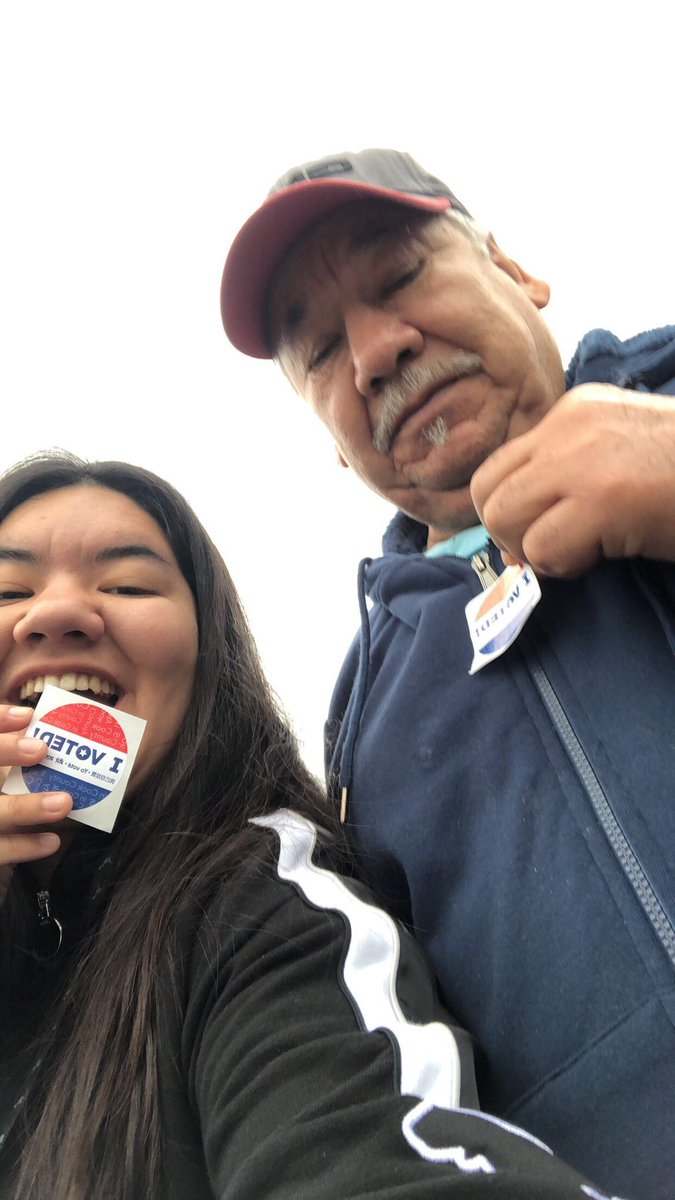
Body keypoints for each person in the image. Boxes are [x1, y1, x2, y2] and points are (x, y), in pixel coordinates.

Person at [219, 149, 675, 1200]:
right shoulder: (357, 732)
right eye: (321, 350)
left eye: (399, 276)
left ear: (515, 271)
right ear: (333, 443)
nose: (374, 352)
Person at [0, 451, 617, 1200]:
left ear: (209, 653)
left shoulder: (264, 908)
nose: (55, 613)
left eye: (127, 584)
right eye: (8, 591)